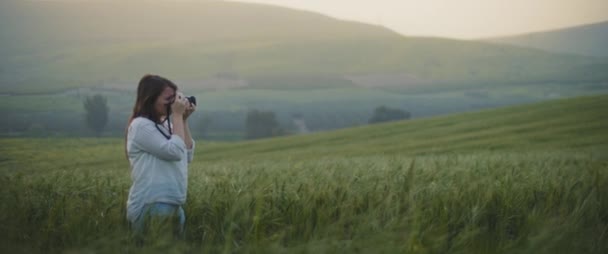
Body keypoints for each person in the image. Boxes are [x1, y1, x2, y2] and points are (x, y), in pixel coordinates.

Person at [124, 74, 196, 245]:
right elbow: (174, 152)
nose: (173, 103)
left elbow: (186, 155)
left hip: (173, 205)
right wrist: (177, 116)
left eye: (175, 98)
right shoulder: (140, 125)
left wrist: (183, 120)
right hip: (151, 204)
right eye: (168, 99)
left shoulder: (165, 125)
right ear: (150, 99)